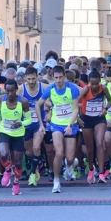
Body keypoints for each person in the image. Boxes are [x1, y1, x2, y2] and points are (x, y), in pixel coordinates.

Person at [35, 65, 80, 193]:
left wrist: (70, 125)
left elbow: (76, 108)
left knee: (70, 157)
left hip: (70, 124)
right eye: (56, 78)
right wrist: (41, 125)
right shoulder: (50, 89)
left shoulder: (72, 89)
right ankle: (56, 181)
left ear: (65, 77)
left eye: (61, 77)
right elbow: (38, 105)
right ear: (53, 78)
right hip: (56, 124)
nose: (59, 80)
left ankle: (70, 165)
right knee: (59, 152)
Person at [0, 79, 32, 195]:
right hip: (4, 131)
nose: (10, 94)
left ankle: (16, 183)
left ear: (17, 90)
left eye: (12, 91)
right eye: (8, 91)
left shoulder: (24, 102)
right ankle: (7, 169)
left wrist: (21, 123)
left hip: (18, 134)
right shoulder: (1, 99)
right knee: (4, 154)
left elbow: (29, 120)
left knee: (18, 163)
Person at [78, 70, 111, 184]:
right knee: (90, 149)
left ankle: (101, 173)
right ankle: (92, 169)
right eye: (92, 83)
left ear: (99, 82)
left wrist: (105, 109)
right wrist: (78, 118)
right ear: (88, 83)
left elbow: (110, 101)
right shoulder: (85, 90)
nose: (94, 86)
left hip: (99, 118)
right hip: (86, 119)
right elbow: (74, 102)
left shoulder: (104, 88)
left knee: (99, 143)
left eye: (96, 83)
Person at [18, 67, 46, 186]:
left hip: (39, 123)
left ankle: (33, 173)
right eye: (28, 79)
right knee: (29, 152)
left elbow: (54, 98)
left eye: (33, 78)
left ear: (37, 77)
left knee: (36, 147)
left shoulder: (44, 87)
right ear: (25, 78)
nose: (31, 81)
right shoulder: (21, 89)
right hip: (26, 124)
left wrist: (49, 111)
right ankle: (36, 164)